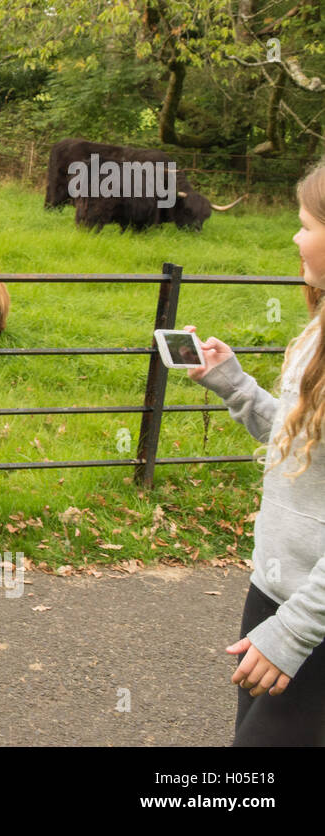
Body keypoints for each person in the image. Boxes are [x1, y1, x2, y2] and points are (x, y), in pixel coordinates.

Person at [187, 161, 325, 745]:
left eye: (305, 224)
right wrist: (235, 386)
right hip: (275, 588)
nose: (294, 238)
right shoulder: (318, 330)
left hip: (311, 617)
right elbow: (302, 444)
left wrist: (293, 633)